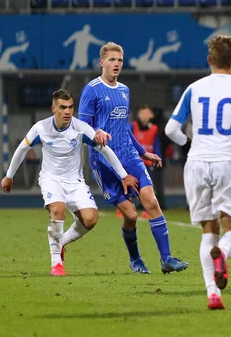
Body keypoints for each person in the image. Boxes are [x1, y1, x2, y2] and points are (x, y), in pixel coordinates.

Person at [164, 35, 231, 310]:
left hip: (197, 163)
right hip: (227, 163)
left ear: (209, 60)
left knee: (208, 231)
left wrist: (188, 145)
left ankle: (213, 292)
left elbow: (170, 130)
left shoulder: (193, 89)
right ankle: (221, 253)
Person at [1, 89, 138, 276]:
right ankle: (56, 262)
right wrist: (9, 176)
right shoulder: (41, 128)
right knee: (58, 209)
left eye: (71, 107)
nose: (67, 111)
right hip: (51, 179)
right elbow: (21, 149)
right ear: (53, 109)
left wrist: (123, 176)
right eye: (63, 107)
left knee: (90, 219)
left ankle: (61, 242)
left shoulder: (80, 127)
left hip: (75, 182)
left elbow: (105, 149)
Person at [78, 42, 189, 274]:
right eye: (112, 60)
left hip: (130, 156)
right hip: (105, 161)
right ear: (102, 62)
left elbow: (125, 128)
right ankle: (135, 258)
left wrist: (142, 152)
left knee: (152, 202)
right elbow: (80, 129)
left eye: (120, 59)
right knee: (131, 215)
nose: (116, 64)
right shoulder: (92, 89)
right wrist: (95, 133)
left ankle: (166, 258)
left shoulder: (124, 90)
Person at [128, 105, 162, 218]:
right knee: (131, 185)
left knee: (147, 187)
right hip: (134, 161)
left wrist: (158, 157)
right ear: (138, 115)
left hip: (148, 163)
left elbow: (156, 144)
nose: (145, 115)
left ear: (151, 115)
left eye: (147, 113)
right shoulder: (132, 126)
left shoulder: (154, 129)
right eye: (143, 113)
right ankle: (127, 207)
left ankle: (146, 209)